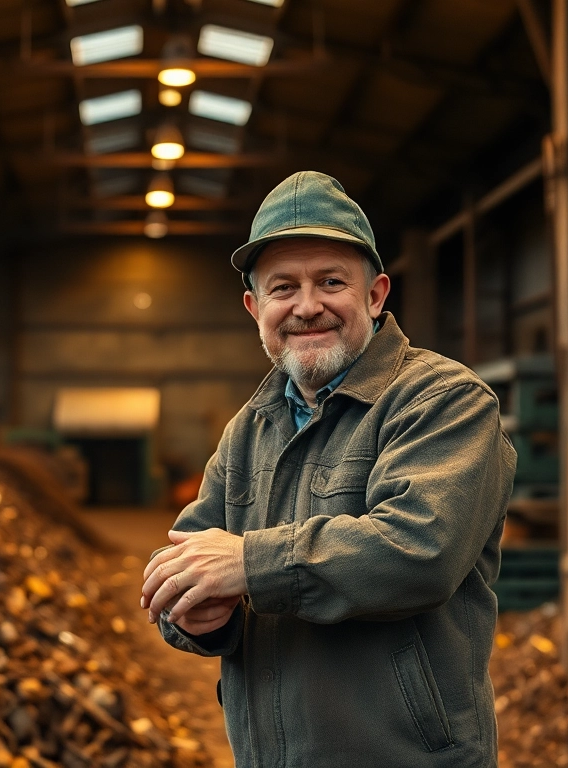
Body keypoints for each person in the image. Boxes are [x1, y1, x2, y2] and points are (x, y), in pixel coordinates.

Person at [140, 171, 516, 767]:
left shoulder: (442, 400)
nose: (307, 306)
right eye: (282, 287)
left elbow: (423, 549)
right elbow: (190, 564)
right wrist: (200, 618)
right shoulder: (249, 429)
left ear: (375, 294)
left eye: (331, 282)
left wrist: (248, 564)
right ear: (254, 307)